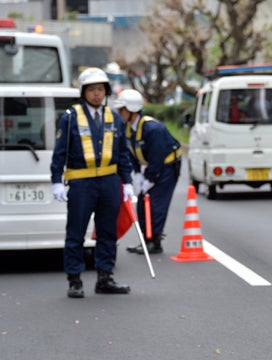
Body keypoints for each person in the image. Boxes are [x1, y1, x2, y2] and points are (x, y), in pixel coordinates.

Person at [50, 67, 134, 298]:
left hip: (109, 182)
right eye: (92, 90)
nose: (96, 94)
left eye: (100, 89)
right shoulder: (70, 117)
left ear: (106, 92)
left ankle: (105, 277)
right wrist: (56, 180)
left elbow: (122, 153)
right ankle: (74, 279)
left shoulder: (114, 117)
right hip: (81, 183)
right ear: (83, 92)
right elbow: (60, 152)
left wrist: (127, 181)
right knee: (76, 232)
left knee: (108, 232)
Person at [113, 89, 182, 255]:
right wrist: (137, 173)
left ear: (131, 110)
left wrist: (150, 179)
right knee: (143, 201)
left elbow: (157, 157)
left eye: (121, 110)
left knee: (156, 203)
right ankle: (146, 239)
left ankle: (155, 242)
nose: (119, 113)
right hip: (154, 167)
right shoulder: (129, 129)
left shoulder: (152, 129)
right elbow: (131, 153)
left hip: (167, 167)